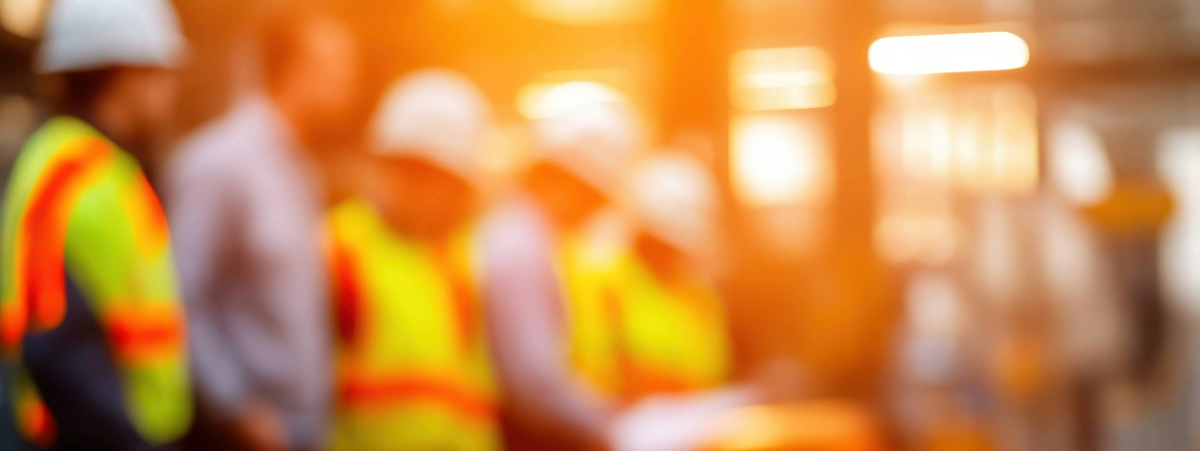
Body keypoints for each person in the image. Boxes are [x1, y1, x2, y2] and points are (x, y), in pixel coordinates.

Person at [0, 0, 192, 449]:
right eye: (162, 71)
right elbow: (53, 347)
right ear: (125, 77)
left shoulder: (108, 168)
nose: (174, 89)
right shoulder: (65, 173)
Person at [165, 11, 359, 451]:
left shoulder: (302, 171)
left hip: (302, 428)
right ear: (292, 68)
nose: (350, 81)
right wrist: (236, 408)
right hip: (242, 434)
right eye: (337, 66)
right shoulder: (219, 164)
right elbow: (184, 297)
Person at [323, 70, 499, 451]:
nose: (430, 194)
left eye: (441, 180)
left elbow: (475, 394)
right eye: (410, 171)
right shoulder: (339, 246)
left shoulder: (463, 260)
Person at [479, 84, 642, 451]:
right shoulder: (519, 246)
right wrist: (609, 426)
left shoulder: (532, 241)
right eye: (595, 197)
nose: (594, 212)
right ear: (566, 181)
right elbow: (532, 382)